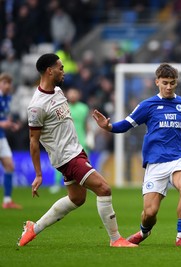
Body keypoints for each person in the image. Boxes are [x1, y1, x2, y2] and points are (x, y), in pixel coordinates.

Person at [92, 63, 181, 247]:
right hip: (155, 163)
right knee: (150, 213)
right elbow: (126, 125)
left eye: (172, 83)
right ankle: (144, 231)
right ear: (157, 81)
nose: (168, 87)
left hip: (178, 159)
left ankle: (180, 237)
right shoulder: (147, 105)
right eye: (165, 82)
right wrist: (108, 127)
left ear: (176, 83)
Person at [18, 53, 135, 248]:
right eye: (61, 67)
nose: (64, 71)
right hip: (67, 157)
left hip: (76, 151)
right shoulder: (36, 106)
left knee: (77, 198)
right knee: (104, 189)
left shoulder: (57, 91)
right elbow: (33, 141)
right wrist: (38, 174)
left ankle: (34, 228)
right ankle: (116, 240)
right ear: (49, 70)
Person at [50, 87, 91, 194]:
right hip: (66, 138)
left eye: (75, 93)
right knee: (62, 160)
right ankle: (57, 184)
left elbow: (87, 124)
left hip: (80, 138)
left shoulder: (84, 108)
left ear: (79, 95)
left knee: (85, 161)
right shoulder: (63, 107)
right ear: (67, 95)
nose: (73, 96)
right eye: (71, 93)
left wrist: (90, 137)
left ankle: (89, 184)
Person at [0, 73, 22, 209]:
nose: (8, 85)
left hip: (1, 137)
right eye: (5, 83)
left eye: (9, 83)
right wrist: (3, 124)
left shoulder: (8, 98)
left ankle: (7, 201)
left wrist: (11, 124)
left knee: (10, 166)